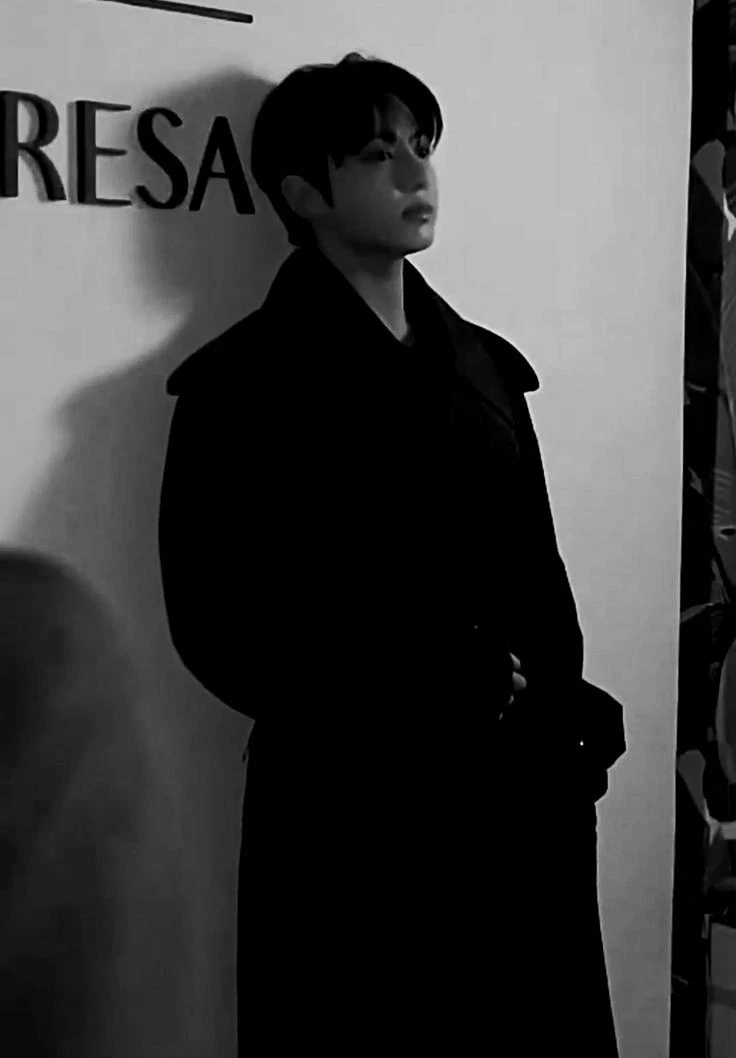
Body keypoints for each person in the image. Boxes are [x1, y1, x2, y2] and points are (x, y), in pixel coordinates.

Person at [158, 50, 626, 1055]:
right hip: (352, 814)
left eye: (420, 147)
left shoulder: (485, 366)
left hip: (515, 801)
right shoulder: (241, 387)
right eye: (377, 155)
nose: (417, 175)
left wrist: (562, 705)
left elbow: (538, 574)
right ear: (301, 191)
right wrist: (405, 681)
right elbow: (217, 622)